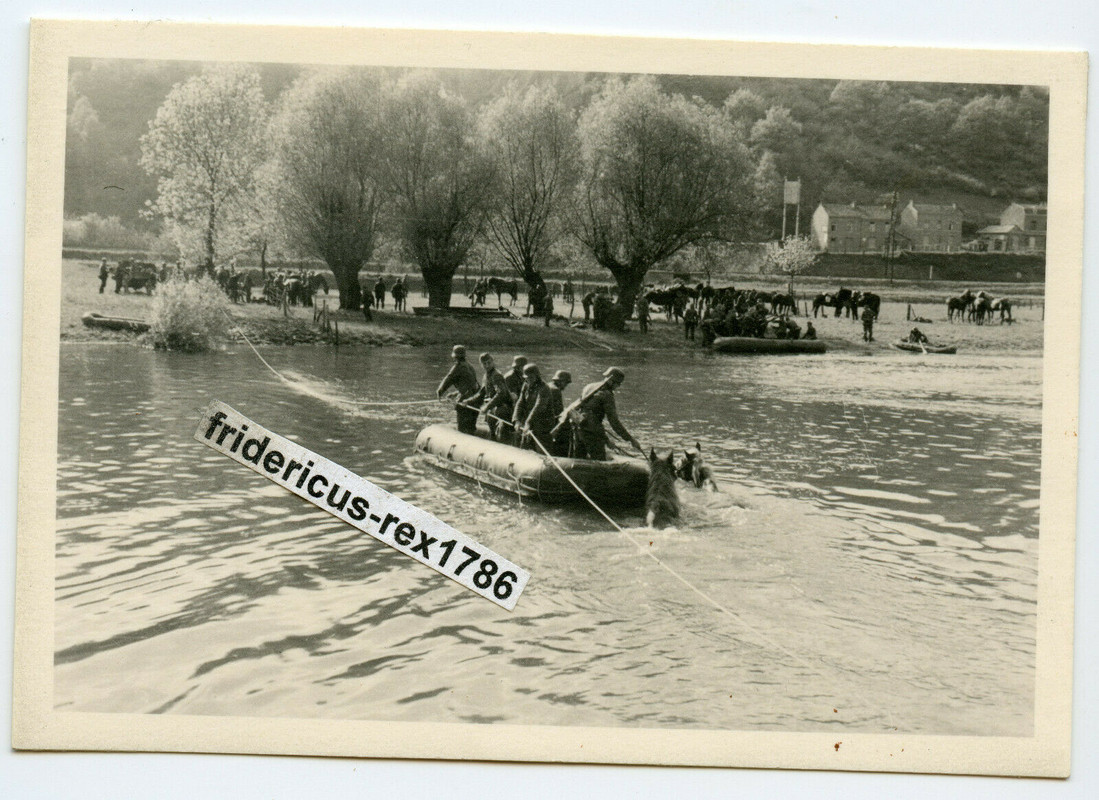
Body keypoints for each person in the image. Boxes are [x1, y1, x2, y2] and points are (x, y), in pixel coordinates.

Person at [563, 367, 642, 461]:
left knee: (578, 459)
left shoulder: (589, 387)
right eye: (618, 384)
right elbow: (614, 422)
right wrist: (631, 439)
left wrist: (606, 440)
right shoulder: (607, 395)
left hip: (578, 428)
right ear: (612, 381)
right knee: (600, 460)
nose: (618, 387)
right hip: (592, 432)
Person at [436, 345, 480, 435]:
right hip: (475, 402)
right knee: (471, 429)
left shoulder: (458, 367)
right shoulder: (470, 366)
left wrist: (439, 392)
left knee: (462, 430)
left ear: (455, 357)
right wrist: (456, 393)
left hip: (465, 404)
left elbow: (448, 380)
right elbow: (471, 386)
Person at [512, 364, 556, 453]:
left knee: (541, 448)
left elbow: (539, 407)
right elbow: (520, 403)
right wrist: (516, 420)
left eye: (531, 377)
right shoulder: (526, 385)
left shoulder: (544, 388)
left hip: (543, 424)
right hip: (531, 421)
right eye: (527, 378)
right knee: (523, 444)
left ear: (537, 377)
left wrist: (528, 422)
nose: (529, 380)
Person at [472, 352, 513, 443]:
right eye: (484, 364)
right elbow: (481, 393)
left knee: (501, 433)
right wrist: (467, 401)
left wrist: (487, 406)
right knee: (492, 431)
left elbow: (501, 393)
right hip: (493, 410)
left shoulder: (496, 375)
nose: (487, 365)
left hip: (502, 410)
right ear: (481, 365)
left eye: (489, 363)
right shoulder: (486, 376)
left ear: (492, 361)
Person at [547, 370, 572, 456]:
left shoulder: (548, 385)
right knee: (567, 428)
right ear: (561, 381)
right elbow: (559, 412)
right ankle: (562, 455)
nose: (566, 386)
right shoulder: (555, 390)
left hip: (545, 418)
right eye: (566, 383)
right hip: (549, 420)